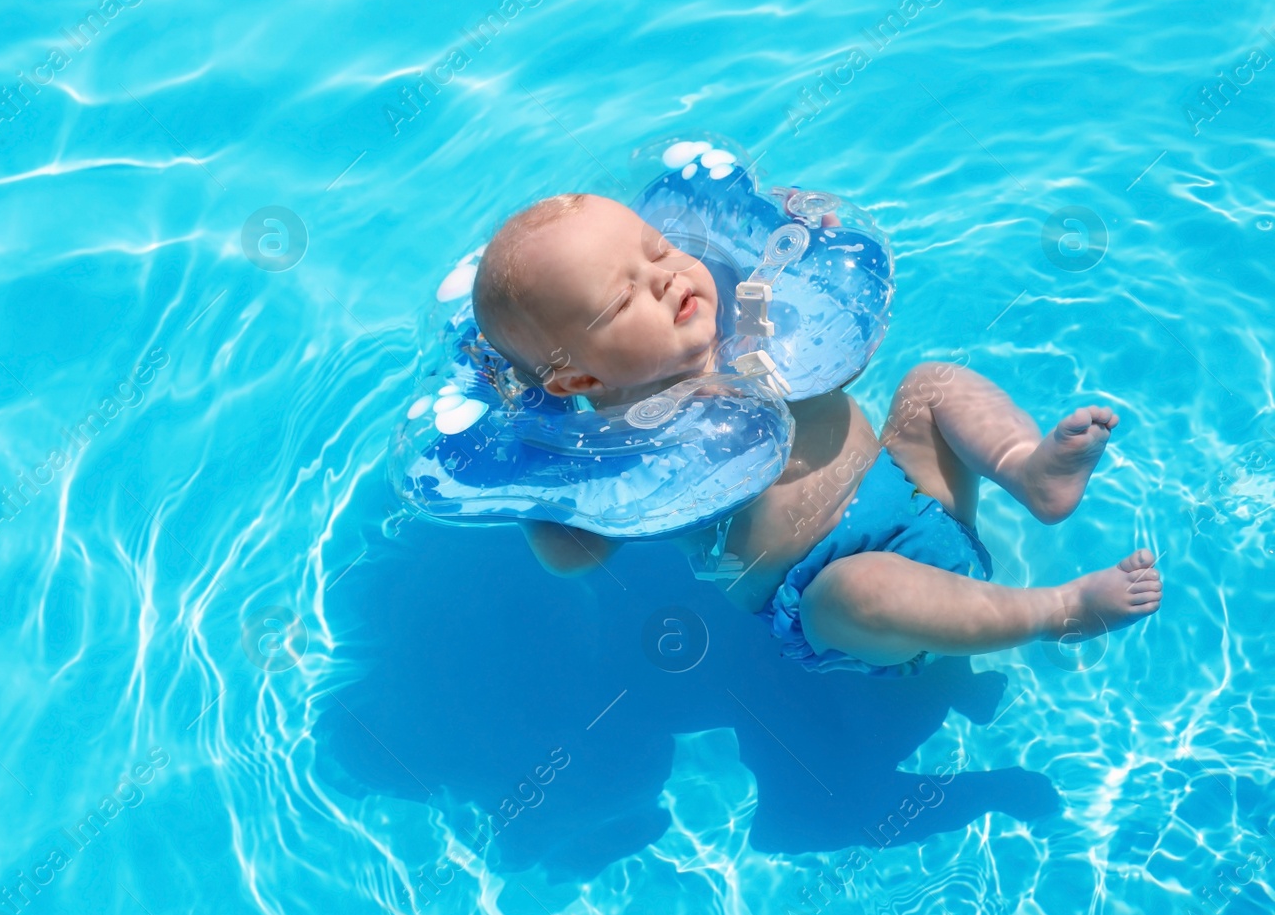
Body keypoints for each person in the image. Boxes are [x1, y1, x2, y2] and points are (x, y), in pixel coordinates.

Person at [471, 193, 1161, 675]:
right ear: (577, 381)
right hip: (828, 595)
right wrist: (537, 483)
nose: (666, 278)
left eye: (658, 251)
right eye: (623, 298)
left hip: (911, 486)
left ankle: (1028, 469)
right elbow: (576, 549)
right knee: (860, 590)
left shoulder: (746, 312)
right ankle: (1058, 609)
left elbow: (807, 286)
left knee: (930, 384)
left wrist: (805, 242)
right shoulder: (617, 447)